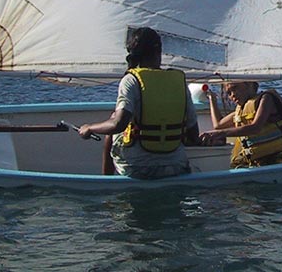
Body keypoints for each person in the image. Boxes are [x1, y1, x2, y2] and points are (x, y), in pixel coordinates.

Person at [78, 27, 201, 179]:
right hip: (176, 166)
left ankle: (107, 184)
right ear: (159, 51)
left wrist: (89, 128)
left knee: (112, 126)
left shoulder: (131, 80)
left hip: (138, 169)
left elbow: (118, 125)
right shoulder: (179, 82)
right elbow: (194, 134)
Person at [200, 81, 282, 168]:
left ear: (250, 84)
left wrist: (220, 133)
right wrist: (212, 99)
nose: (233, 95)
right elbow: (218, 125)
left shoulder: (266, 99)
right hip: (254, 164)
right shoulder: (241, 110)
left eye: (235, 88)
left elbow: (255, 128)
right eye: (229, 93)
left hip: (274, 162)